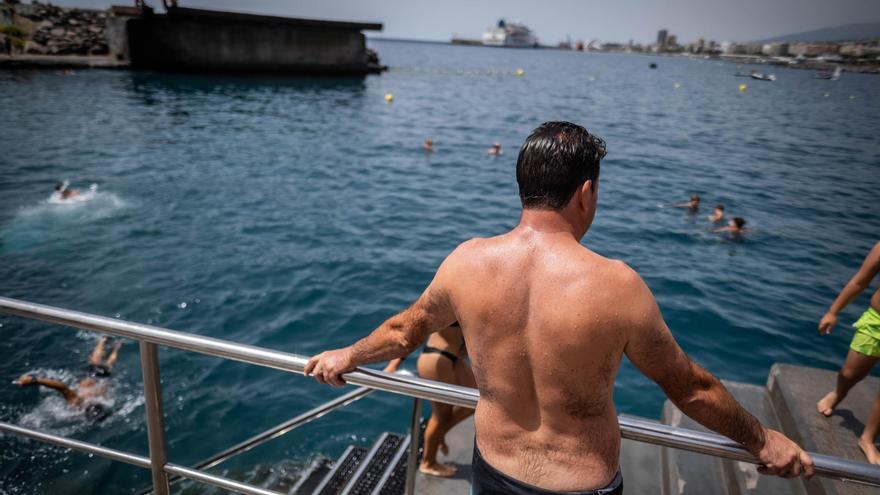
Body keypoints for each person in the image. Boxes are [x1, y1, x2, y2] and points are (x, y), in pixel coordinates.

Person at [305, 121, 812, 494]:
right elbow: (690, 388)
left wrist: (346, 355)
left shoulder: (466, 262)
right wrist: (762, 438)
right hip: (579, 486)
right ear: (586, 193)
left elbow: (402, 331)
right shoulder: (618, 285)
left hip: (493, 471)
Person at [815, 242, 880, 464]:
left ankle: (868, 438)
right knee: (850, 373)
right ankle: (839, 392)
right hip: (876, 324)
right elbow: (860, 281)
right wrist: (833, 312)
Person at [384, 322, 475, 477]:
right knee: (441, 416)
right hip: (436, 359)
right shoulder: (447, 300)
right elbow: (416, 333)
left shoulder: (469, 299)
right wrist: (393, 365)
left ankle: (440, 435)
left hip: (451, 359)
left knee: (476, 398)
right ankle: (428, 463)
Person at [14, 336, 122, 422]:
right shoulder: (78, 402)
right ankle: (105, 342)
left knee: (106, 363)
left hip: (102, 377)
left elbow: (62, 387)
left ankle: (114, 345)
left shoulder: (91, 401)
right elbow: (61, 387)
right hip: (91, 377)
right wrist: (34, 380)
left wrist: (34, 380)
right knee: (96, 360)